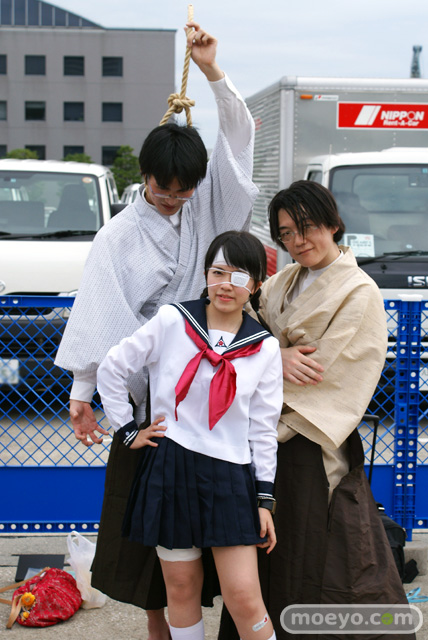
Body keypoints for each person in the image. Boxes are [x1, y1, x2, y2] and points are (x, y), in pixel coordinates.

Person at [54, 21, 258, 640]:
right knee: (145, 535)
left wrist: (211, 70)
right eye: (162, 189)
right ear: (143, 174)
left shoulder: (206, 202)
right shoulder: (116, 236)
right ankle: (159, 630)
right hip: (149, 401)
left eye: (183, 190)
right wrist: (84, 393)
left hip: (211, 392)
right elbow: (102, 315)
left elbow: (238, 141)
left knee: (217, 536)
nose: (173, 199)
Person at [219, 181, 412, 640]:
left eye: (305, 227)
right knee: (263, 547)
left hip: (309, 435)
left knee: (309, 551)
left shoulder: (359, 292)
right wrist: (274, 354)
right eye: (286, 233)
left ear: (332, 223)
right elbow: (246, 333)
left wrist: (264, 360)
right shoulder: (282, 281)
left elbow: (326, 373)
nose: (297, 241)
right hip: (261, 434)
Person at [96, 230, 283, 640]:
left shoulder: (265, 347)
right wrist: (127, 431)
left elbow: (263, 428)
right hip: (171, 466)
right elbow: (112, 367)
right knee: (181, 589)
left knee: (244, 595)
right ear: (205, 275)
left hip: (231, 475)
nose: (226, 285)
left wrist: (265, 498)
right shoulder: (174, 320)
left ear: (255, 285)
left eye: (239, 277)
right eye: (218, 273)